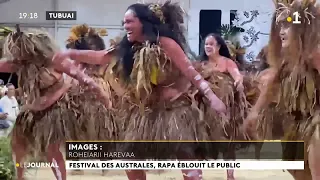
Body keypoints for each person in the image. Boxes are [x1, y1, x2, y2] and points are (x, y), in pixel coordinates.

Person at [52, 1, 226, 180]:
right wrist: (70, 54)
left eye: (130, 21)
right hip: (144, 112)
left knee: (185, 156)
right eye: (124, 22)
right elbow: (101, 57)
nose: (125, 26)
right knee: (130, 158)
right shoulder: (128, 47)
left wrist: (212, 97)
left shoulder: (165, 43)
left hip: (173, 110)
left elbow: (190, 72)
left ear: (143, 22)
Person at [0, 25, 115, 180]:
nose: (17, 54)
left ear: (33, 47)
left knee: (51, 149)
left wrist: (102, 95)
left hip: (54, 111)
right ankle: (19, 176)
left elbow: (83, 78)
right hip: (30, 110)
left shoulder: (55, 61)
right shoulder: (17, 64)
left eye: (20, 49)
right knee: (18, 146)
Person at [244, 0, 320, 179]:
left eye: (287, 26)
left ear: (301, 29)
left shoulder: (315, 54)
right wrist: (254, 112)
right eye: (280, 26)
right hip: (297, 125)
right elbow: (272, 85)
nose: (282, 32)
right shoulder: (287, 59)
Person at [196, 33, 250, 180]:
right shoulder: (201, 65)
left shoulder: (227, 62)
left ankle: (230, 176)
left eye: (211, 44)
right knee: (201, 143)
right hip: (205, 111)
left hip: (226, 111)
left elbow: (237, 75)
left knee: (228, 143)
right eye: (206, 44)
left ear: (219, 47)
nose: (208, 46)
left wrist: (238, 81)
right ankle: (197, 176)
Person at [65, 24, 111, 176]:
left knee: (102, 132)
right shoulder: (76, 65)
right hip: (78, 99)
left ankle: (105, 164)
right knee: (75, 132)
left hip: (98, 100)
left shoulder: (101, 64)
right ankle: (77, 163)